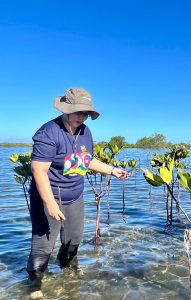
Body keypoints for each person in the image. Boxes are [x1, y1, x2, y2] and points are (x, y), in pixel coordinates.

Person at [27, 87, 128, 299]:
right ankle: (35, 285)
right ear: (66, 109)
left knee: (73, 239)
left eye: (85, 113)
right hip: (48, 196)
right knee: (43, 244)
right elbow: (39, 170)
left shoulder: (85, 132)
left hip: (74, 195)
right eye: (77, 112)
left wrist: (112, 170)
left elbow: (86, 160)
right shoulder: (48, 132)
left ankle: (68, 270)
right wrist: (51, 203)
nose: (82, 117)